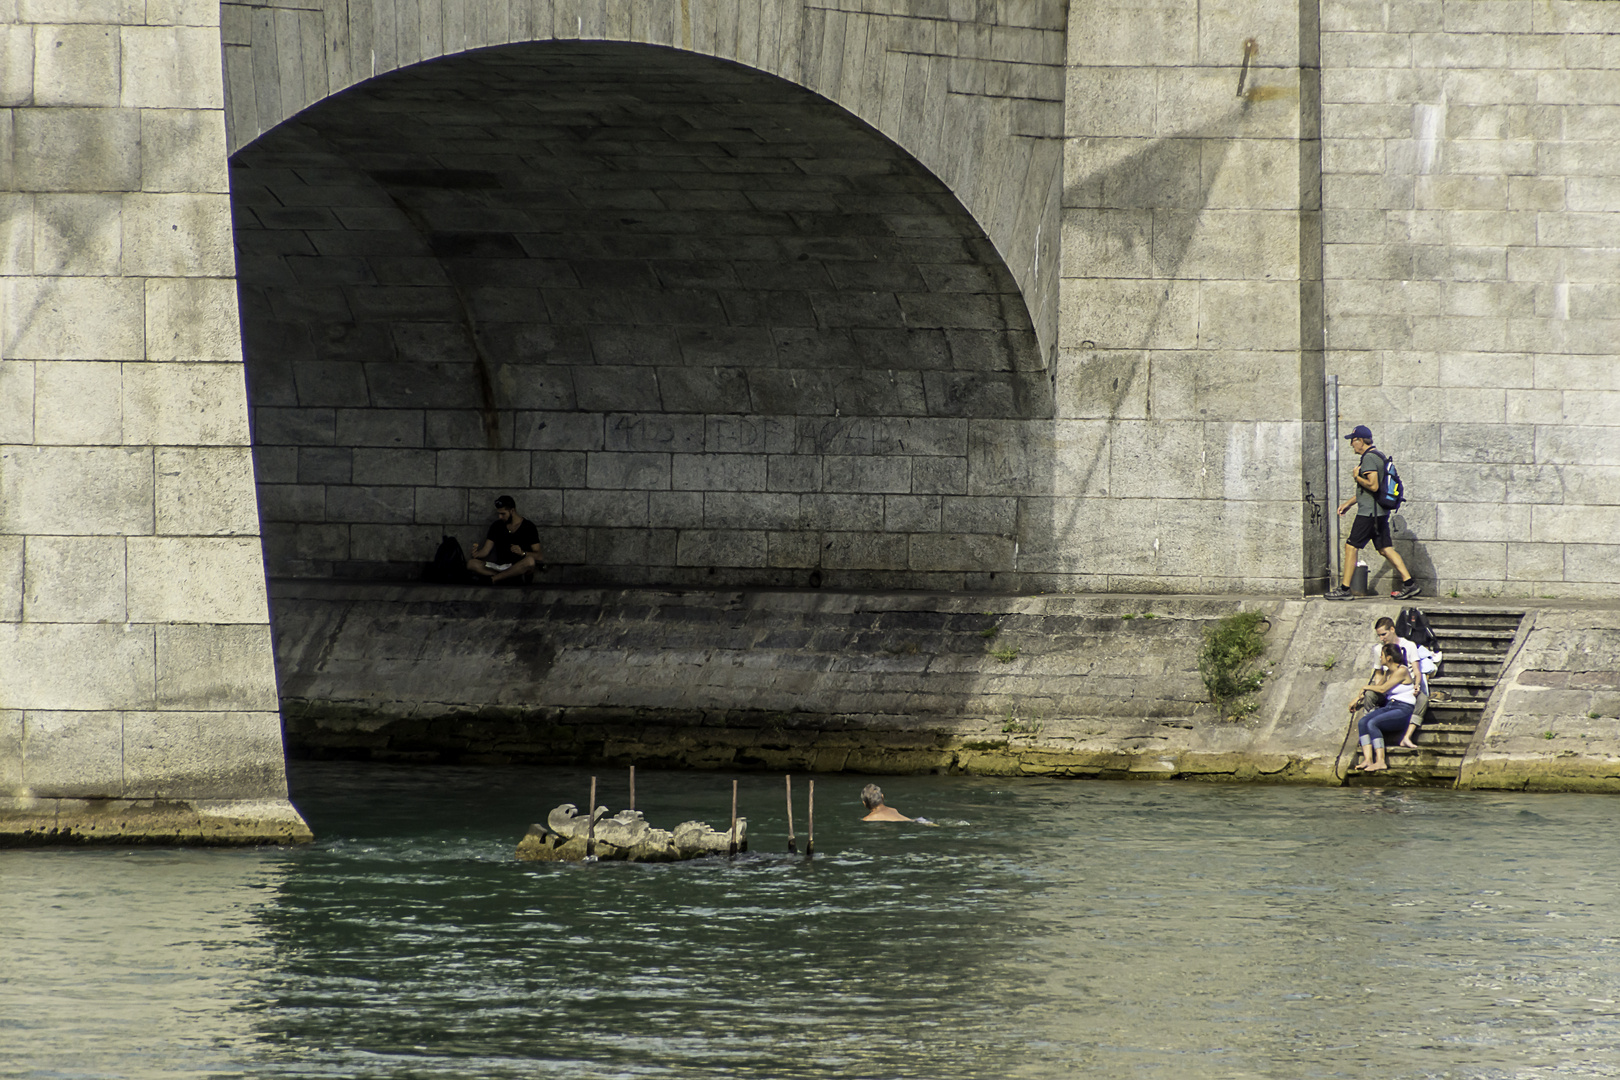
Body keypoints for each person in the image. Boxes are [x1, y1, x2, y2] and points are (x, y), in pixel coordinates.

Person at [1327, 425, 1420, 601]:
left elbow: (1373, 485)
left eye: (1352, 441)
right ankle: (1409, 584)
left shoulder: (1369, 458)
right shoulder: (1379, 456)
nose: (1351, 445)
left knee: (1351, 546)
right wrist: (1348, 503)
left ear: (1360, 441)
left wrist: (1356, 477)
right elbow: (1370, 491)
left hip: (1369, 514)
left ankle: (1345, 589)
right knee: (1385, 549)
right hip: (1379, 512)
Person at [1367, 616, 1435, 748]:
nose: (1382, 638)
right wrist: (1377, 687)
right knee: (1370, 695)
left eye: (1383, 634)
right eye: (1379, 636)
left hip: (1407, 684)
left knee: (1422, 700)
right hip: (1387, 685)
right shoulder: (1378, 649)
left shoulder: (1408, 646)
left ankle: (1407, 737)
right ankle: (1369, 729)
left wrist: (1417, 684)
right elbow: (1378, 672)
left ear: (1392, 629)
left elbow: (1416, 670)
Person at [1349, 642, 1417, 772]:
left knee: (1373, 723)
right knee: (1363, 722)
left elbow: (1382, 689)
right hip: (1390, 706)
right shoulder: (1387, 672)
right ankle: (1368, 759)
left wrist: (1364, 687)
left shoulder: (1401, 670)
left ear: (1389, 657)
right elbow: (1377, 687)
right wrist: (1357, 699)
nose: (1380, 658)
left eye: (1382, 655)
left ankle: (1380, 761)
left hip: (1403, 709)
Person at [468, 495, 542, 583]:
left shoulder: (528, 526)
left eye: (503, 514)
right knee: (471, 564)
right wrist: (477, 554)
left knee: (530, 562)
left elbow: (539, 556)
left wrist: (522, 552)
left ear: (512, 511)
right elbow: (485, 551)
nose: (500, 517)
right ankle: (507, 578)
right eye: (499, 513)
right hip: (501, 567)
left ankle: (494, 579)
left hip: (518, 566)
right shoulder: (497, 526)